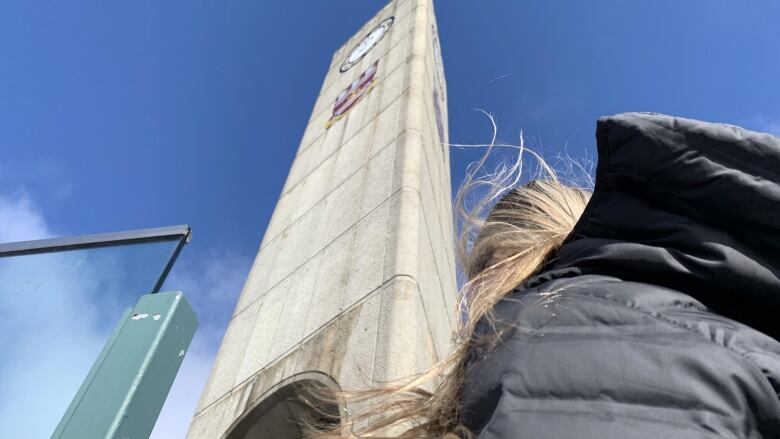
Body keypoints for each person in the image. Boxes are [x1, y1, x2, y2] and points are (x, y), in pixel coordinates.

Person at [313, 112, 780, 438]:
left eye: (476, 272)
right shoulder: (725, 318)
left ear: (503, 261)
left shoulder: (558, 328)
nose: (472, 302)